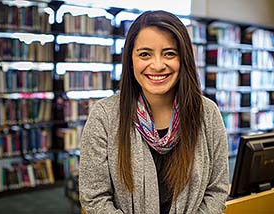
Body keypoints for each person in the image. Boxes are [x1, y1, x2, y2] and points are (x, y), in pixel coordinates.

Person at [79, 10, 229, 214]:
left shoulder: (208, 113)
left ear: (183, 58)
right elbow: (94, 197)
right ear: (130, 59)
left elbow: (217, 190)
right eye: (145, 54)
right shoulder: (104, 116)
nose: (157, 65)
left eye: (169, 53)